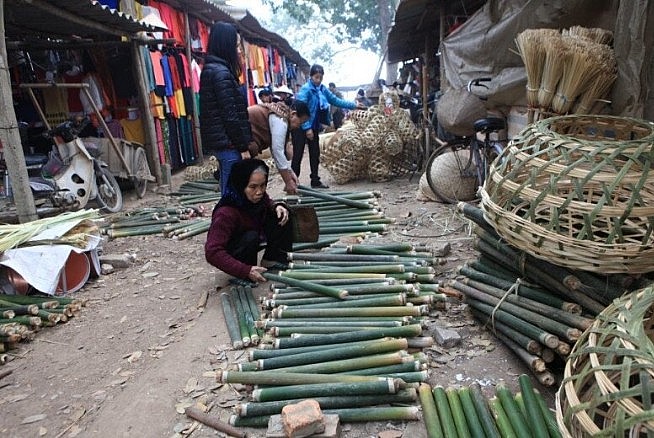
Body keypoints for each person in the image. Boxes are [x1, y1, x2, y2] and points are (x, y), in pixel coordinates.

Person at [205, 159, 292, 285]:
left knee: (283, 213)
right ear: (241, 185)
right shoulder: (226, 213)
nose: (259, 191)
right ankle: (246, 273)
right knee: (251, 236)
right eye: (253, 187)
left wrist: (276, 206)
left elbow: (267, 201)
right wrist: (245, 270)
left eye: (263, 185)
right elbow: (212, 252)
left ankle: (271, 259)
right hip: (235, 250)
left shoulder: (258, 198)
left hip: (253, 237)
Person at [292, 64, 365, 189]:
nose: (318, 80)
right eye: (316, 77)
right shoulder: (306, 90)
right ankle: (293, 182)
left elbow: (336, 100)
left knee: (315, 153)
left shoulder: (322, 89)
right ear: (311, 76)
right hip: (300, 126)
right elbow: (300, 110)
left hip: (314, 125)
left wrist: (354, 106)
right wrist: (307, 127)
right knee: (298, 154)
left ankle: (315, 180)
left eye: (321, 77)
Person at [199, 21, 252, 194]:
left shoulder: (213, 69)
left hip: (223, 143)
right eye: (236, 46)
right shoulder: (221, 73)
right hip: (229, 145)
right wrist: (242, 146)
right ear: (226, 46)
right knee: (232, 193)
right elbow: (230, 116)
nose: (239, 51)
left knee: (228, 190)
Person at [247, 100, 310, 195]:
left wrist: (291, 173)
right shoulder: (280, 120)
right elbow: (277, 151)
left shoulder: (280, 114)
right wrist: (288, 181)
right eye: (300, 122)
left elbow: (278, 152)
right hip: (237, 144)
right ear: (293, 114)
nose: (299, 126)